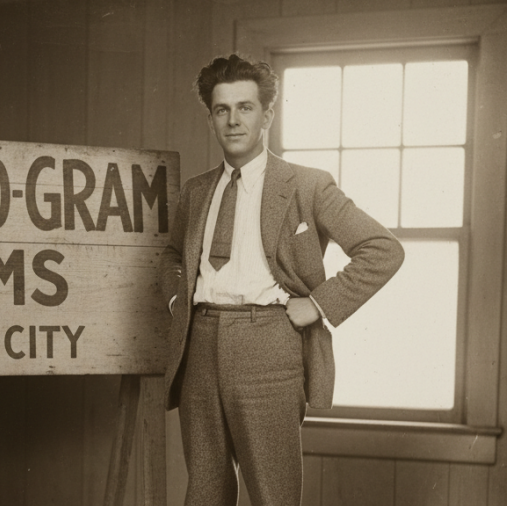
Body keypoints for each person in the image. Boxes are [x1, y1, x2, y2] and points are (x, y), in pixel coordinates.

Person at [159, 54, 405, 505]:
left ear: (267, 115)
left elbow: (383, 249)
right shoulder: (196, 191)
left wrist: (320, 304)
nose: (233, 121)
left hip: (269, 348)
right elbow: (173, 256)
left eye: (245, 107)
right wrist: (179, 302)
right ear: (211, 119)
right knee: (204, 493)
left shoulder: (307, 186)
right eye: (221, 110)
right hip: (199, 347)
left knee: (274, 495)